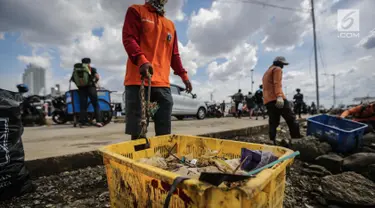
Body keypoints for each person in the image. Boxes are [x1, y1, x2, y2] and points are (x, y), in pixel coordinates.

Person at [122, 0, 192, 140]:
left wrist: (184, 76)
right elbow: (129, 39)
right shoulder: (136, 11)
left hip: (162, 85)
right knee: (139, 131)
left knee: (164, 131)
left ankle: (160, 159)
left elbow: (174, 55)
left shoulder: (170, 25)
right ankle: (139, 158)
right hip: (138, 82)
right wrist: (142, 60)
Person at [262, 56, 302, 144]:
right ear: (278, 63)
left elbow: (265, 88)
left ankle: (272, 141)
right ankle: (297, 140)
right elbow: (277, 83)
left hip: (268, 101)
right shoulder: (277, 69)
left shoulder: (266, 72)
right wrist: (279, 96)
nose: (283, 66)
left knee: (273, 122)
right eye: (282, 64)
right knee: (291, 119)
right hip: (277, 99)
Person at [71, 58, 103, 128]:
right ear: (89, 62)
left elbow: (72, 79)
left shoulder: (76, 70)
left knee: (83, 106)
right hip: (91, 88)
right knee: (96, 105)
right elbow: (97, 77)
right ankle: (99, 121)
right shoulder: (91, 69)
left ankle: (82, 122)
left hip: (81, 89)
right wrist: (95, 82)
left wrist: (79, 85)